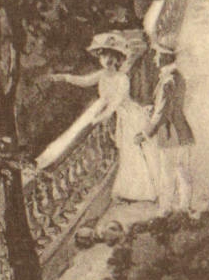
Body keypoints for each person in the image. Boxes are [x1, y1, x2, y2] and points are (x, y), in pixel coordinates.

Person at [52, 32, 159, 202]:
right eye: (103, 57)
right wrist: (64, 77)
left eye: (111, 57)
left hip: (131, 116)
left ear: (118, 59)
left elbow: (116, 101)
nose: (107, 60)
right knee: (126, 152)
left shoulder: (122, 78)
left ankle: (141, 191)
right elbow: (85, 81)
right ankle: (131, 191)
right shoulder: (101, 75)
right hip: (122, 117)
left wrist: (100, 117)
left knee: (132, 152)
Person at [136, 44, 195, 212]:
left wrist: (144, 134)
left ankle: (166, 209)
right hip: (182, 130)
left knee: (168, 173)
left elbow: (161, 113)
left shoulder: (167, 81)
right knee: (183, 172)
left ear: (165, 57)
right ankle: (184, 207)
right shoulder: (178, 77)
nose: (155, 59)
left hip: (170, 132)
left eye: (157, 56)